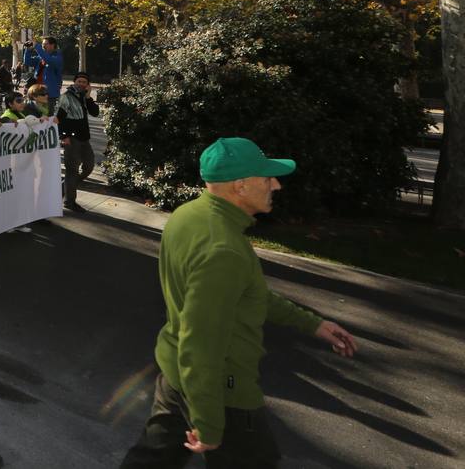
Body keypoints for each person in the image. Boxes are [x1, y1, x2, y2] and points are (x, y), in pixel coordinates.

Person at [120, 138, 358, 468]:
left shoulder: (188, 216)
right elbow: (200, 343)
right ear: (240, 186)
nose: (276, 184)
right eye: (266, 177)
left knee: (152, 460)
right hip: (221, 390)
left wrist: (313, 324)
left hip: (176, 375)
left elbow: (245, 295)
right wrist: (209, 424)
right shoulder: (224, 249)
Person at [55, 71, 99, 214]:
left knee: (89, 166)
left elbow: (95, 113)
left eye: (84, 82)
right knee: (72, 171)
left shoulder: (84, 97)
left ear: (87, 85)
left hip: (84, 138)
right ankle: (70, 202)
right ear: (74, 82)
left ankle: (65, 187)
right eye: (79, 81)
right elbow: (59, 118)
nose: (81, 84)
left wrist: (88, 97)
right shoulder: (66, 97)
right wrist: (64, 136)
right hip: (71, 139)